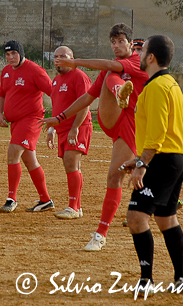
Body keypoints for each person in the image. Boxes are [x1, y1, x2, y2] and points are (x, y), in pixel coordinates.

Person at [53, 23, 149, 251]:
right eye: (113, 42)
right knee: (109, 74)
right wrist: (58, 118)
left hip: (131, 127)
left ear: (130, 44)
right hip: (116, 121)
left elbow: (107, 64)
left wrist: (74, 63)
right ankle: (159, 201)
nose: (116, 46)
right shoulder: (112, 70)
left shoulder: (136, 61)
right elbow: (87, 98)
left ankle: (100, 234)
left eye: (121, 42)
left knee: (115, 178)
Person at [121, 35, 183, 295]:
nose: (137, 55)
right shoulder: (171, 83)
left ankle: (146, 280)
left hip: (161, 159)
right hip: (174, 158)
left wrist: (141, 164)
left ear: (151, 57)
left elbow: (158, 133)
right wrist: (138, 159)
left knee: (136, 218)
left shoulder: (156, 87)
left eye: (142, 51)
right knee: (166, 218)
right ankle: (181, 279)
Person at [0, 40, 55, 213]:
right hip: (15, 122)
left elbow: (54, 92)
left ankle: (11, 198)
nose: (11, 57)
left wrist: (57, 118)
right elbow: (1, 93)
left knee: (13, 152)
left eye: (14, 53)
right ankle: (45, 200)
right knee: (30, 160)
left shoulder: (35, 70)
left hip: (31, 119)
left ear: (21, 53)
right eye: (7, 55)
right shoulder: (6, 71)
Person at [40, 46, 93, 219]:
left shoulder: (79, 77)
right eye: (56, 56)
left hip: (78, 127)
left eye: (63, 56)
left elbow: (85, 104)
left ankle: (73, 207)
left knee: (72, 164)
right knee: (72, 167)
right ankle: (77, 207)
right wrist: (53, 129)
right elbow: (58, 107)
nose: (58, 59)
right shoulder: (56, 80)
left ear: (72, 58)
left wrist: (74, 128)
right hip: (63, 129)